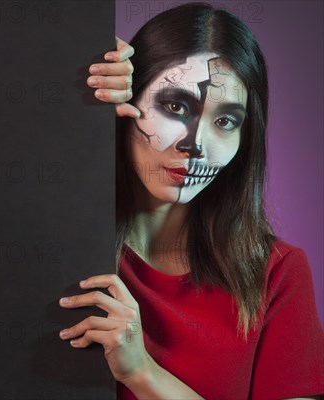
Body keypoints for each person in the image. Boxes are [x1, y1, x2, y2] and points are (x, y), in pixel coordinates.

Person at [58, 3, 324, 399]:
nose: (195, 145)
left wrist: (143, 373)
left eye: (226, 121)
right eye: (175, 106)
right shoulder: (57, 244)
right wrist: (68, 85)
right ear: (127, 103)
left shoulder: (277, 274)